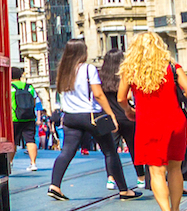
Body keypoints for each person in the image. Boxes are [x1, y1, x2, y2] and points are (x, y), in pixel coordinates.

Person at [119, 33, 187, 211]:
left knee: (156, 171)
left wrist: (130, 111)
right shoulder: (172, 67)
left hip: (149, 123)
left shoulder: (131, 70)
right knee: (175, 168)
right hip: (176, 121)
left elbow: (121, 98)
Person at [48, 39, 138, 200]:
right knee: (110, 151)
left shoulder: (63, 71)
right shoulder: (88, 69)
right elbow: (98, 94)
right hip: (91, 116)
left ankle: (54, 185)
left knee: (67, 152)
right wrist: (110, 114)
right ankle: (124, 189)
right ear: (82, 52)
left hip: (70, 117)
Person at [99, 48, 146, 188]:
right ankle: (141, 177)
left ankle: (111, 178)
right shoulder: (126, 75)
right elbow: (130, 96)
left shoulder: (101, 76)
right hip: (127, 116)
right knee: (133, 148)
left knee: (111, 150)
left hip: (109, 118)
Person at [11, 67, 41, 171]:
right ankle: (33, 163)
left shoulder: (9, 87)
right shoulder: (29, 87)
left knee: (13, 142)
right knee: (30, 140)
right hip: (29, 117)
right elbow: (34, 102)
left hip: (14, 118)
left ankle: (10, 163)